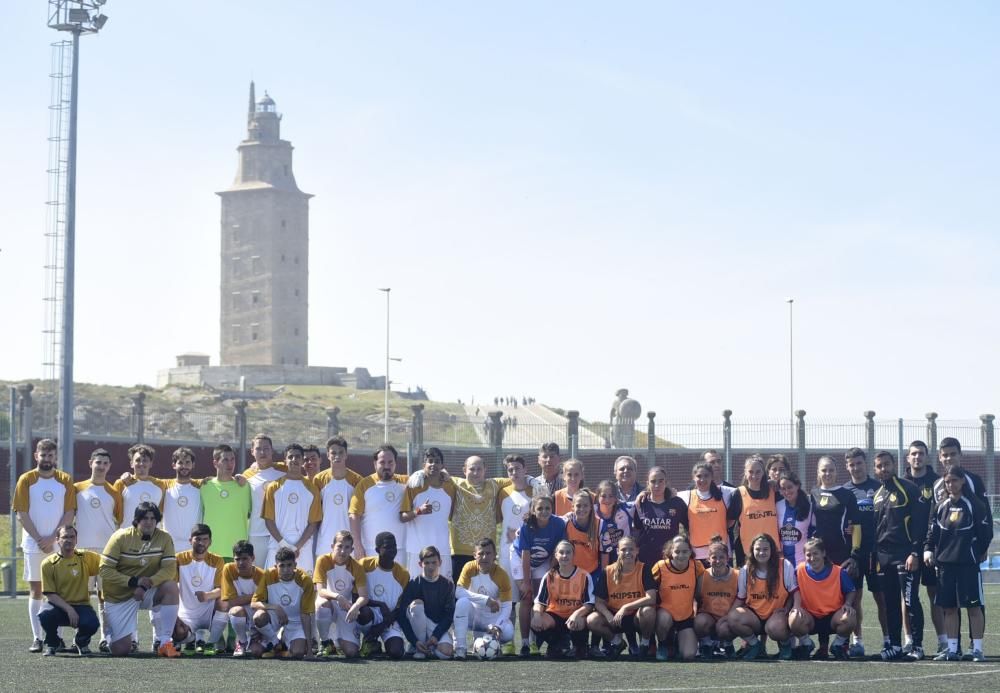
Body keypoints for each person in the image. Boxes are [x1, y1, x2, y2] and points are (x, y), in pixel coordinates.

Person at [13, 438, 76, 653]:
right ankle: (37, 638)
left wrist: (54, 538)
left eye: (50, 455)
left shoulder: (65, 480)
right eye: (43, 455)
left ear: (55, 457)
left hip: (58, 543)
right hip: (33, 543)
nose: (47, 459)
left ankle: (56, 638)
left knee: (59, 591)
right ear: (36, 456)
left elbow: (69, 512)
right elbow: (21, 513)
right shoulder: (26, 479)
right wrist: (40, 538)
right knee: (37, 590)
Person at [924, 465, 992, 662]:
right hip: (945, 565)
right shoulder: (940, 506)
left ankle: (977, 649)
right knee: (949, 608)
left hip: (967, 565)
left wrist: (975, 552)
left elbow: (985, 534)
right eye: (947, 482)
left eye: (954, 480)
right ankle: (952, 650)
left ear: (962, 481)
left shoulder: (974, 505)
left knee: (973, 607)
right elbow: (932, 532)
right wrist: (929, 549)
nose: (951, 485)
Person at [99, 501, 181, 657]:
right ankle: (110, 631)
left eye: (153, 518)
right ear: (136, 519)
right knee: (120, 650)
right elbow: (104, 570)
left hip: (146, 591)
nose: (149, 522)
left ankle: (165, 642)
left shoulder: (164, 537)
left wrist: (145, 585)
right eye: (144, 518)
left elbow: (169, 570)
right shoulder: (120, 537)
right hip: (119, 596)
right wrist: (133, 581)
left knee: (171, 586)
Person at [873, 450, 928, 661]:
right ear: (875, 469)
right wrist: (875, 556)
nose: (883, 469)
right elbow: (875, 529)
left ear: (893, 464)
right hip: (883, 556)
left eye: (886, 464)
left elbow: (920, 524)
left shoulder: (908, 489)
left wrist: (915, 552)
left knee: (910, 600)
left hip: (905, 554)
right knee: (890, 602)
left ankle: (917, 646)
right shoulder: (877, 494)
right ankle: (895, 645)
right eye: (879, 466)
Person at [74, 448, 122, 651]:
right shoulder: (76, 489)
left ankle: (105, 637)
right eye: (98, 462)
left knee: (105, 597)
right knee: (81, 596)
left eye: (105, 463)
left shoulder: (114, 492)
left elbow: (119, 520)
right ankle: (81, 638)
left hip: (105, 552)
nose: (101, 466)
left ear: (109, 466)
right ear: (90, 463)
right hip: (82, 550)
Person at [843, 446, 886, 657]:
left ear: (865, 464)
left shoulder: (878, 487)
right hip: (855, 554)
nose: (856, 468)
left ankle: (888, 640)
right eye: (852, 464)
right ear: (847, 467)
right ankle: (857, 641)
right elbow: (840, 522)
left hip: (877, 552)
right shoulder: (844, 491)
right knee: (855, 598)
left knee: (881, 596)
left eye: (859, 463)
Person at [728, 533, 799, 660]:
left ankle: (785, 645)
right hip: (754, 616)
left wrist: (792, 609)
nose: (762, 553)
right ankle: (755, 644)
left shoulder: (784, 565)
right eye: (758, 549)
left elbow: (794, 592)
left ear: (772, 550)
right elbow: (741, 598)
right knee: (733, 617)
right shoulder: (746, 570)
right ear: (752, 551)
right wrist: (727, 616)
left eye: (765, 549)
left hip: (777, 615)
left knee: (774, 627)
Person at [901, 440, 942, 654]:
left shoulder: (937, 482)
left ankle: (943, 640)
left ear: (927, 456)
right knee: (907, 595)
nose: (917, 457)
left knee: (935, 593)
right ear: (908, 458)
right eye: (913, 454)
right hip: (907, 550)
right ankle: (910, 639)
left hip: (932, 548)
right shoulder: (901, 483)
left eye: (921, 453)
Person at [788, 537, 858, 660]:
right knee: (794, 618)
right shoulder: (799, 570)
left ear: (824, 553)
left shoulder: (838, 571)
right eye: (808, 555)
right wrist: (793, 606)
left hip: (833, 616)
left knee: (850, 617)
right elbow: (791, 590)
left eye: (816, 553)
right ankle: (806, 644)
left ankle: (838, 645)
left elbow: (851, 590)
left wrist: (847, 603)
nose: (812, 558)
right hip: (810, 617)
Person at [514, 495, 567, 656]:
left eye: (547, 508)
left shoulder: (558, 524)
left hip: (544, 559)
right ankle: (524, 643)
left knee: (540, 598)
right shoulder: (527, 526)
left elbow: (556, 552)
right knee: (527, 597)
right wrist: (526, 581)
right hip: (520, 558)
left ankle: (534, 642)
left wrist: (550, 573)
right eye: (540, 508)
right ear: (533, 510)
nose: (544, 512)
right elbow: (525, 555)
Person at [588, 536, 656, 658]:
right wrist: (608, 615)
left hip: (636, 616)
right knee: (592, 620)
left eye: (631, 549)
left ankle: (645, 644)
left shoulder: (644, 569)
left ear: (637, 551)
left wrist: (625, 607)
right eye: (624, 549)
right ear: (617, 551)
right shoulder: (608, 571)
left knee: (649, 611)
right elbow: (598, 602)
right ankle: (618, 643)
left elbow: (651, 598)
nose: (627, 553)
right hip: (615, 617)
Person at [38, 525, 101, 656]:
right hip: (58, 606)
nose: (69, 540)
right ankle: (53, 643)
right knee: (44, 615)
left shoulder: (86, 557)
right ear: (57, 540)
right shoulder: (48, 563)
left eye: (72, 537)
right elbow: (50, 594)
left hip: (81, 606)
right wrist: (69, 609)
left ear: (76, 540)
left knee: (92, 623)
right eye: (65, 537)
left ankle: (81, 641)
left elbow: (108, 563)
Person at [262, 444, 322, 574]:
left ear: (302, 461)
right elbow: (268, 520)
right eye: (290, 457)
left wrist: (297, 547)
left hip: (302, 551)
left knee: (302, 590)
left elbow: (313, 523)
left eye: (298, 457)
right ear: (285, 460)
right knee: (273, 588)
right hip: (277, 548)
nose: (294, 459)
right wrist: (284, 545)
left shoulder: (312, 489)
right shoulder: (273, 487)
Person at [531, 540, 595, 659]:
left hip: (575, 616)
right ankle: (556, 645)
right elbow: (539, 602)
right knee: (536, 622)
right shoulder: (549, 576)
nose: (564, 556)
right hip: (555, 616)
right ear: (556, 555)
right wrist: (537, 614)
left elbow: (589, 604)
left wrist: (576, 614)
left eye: (568, 552)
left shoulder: (584, 575)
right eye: (561, 552)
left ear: (573, 555)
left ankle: (580, 646)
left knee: (579, 621)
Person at [453, 538, 515, 659]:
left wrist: (498, 626)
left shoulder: (502, 574)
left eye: (488, 553)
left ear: (495, 555)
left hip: (491, 619)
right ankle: (460, 648)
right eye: (481, 553)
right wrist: (486, 600)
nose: (485, 557)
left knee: (508, 632)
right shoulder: (469, 567)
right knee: (462, 603)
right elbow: (459, 592)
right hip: (473, 617)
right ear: (475, 555)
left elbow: (507, 605)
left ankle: (492, 641)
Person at [249, 546, 315, 659]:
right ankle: (276, 643)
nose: (286, 570)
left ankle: (281, 647)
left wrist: (309, 650)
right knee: (258, 620)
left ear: (295, 565)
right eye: (282, 566)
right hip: (275, 617)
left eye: (289, 565)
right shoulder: (268, 575)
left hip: (296, 621)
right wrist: (276, 607)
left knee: (298, 653)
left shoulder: (306, 580)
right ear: (276, 566)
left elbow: (305, 615)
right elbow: (254, 603)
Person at [400, 447, 457, 578]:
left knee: (443, 588)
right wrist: (418, 511)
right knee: (415, 590)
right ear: (423, 465)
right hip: (417, 550)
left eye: (437, 461)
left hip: (442, 550)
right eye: (430, 461)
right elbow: (402, 517)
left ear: (442, 465)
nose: (433, 464)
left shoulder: (450, 486)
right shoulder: (415, 485)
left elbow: (451, 516)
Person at [172, 523, 228, 655]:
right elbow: (172, 586)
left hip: (209, 613)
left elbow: (222, 590)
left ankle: (211, 642)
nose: (201, 543)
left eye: (205, 539)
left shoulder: (218, 561)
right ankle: (191, 639)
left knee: (224, 601)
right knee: (177, 633)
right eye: (197, 539)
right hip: (187, 614)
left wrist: (207, 595)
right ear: (190, 540)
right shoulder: (179, 559)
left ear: (210, 542)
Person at [313, 530, 369, 658]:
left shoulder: (357, 566)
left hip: (346, 607)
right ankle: (325, 642)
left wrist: (356, 606)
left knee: (352, 652)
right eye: (339, 546)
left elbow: (364, 596)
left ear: (352, 549)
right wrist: (338, 597)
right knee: (322, 606)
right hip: (329, 602)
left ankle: (337, 641)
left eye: (347, 547)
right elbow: (321, 590)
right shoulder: (322, 560)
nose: (343, 551)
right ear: (332, 547)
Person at [497, 453, 533, 653]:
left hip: (527, 553)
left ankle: (530, 641)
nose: (514, 472)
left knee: (528, 598)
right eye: (510, 469)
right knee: (509, 601)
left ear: (525, 470)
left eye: (518, 468)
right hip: (506, 554)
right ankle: (508, 640)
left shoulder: (534, 490)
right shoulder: (502, 493)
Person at [448, 455, 504, 580]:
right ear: (464, 470)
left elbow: (517, 478)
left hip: (485, 553)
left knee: (484, 592)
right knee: (458, 592)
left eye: (479, 469)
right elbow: (438, 473)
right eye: (472, 469)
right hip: (459, 552)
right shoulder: (456, 484)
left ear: (485, 470)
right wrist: (418, 473)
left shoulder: (494, 485)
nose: (475, 473)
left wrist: (533, 481)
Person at [349, 445, 408, 560]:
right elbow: (354, 515)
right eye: (382, 462)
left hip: (400, 551)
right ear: (375, 464)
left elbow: (427, 477)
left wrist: (444, 474)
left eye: (390, 462)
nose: (386, 466)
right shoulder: (364, 484)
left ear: (396, 463)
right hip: (371, 550)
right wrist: (357, 544)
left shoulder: (406, 482)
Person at [397, 545, 456, 659]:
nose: (431, 566)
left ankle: (429, 647)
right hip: (418, 626)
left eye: (434, 562)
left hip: (435, 626)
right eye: (427, 563)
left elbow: (449, 615)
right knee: (417, 604)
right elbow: (401, 614)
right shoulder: (413, 583)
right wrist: (413, 640)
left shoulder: (448, 585)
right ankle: (418, 646)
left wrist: (436, 636)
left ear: (440, 562)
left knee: (446, 653)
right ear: (420, 564)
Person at [357, 532, 409, 659]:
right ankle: (369, 640)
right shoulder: (363, 565)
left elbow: (401, 606)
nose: (392, 550)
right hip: (368, 614)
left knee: (396, 652)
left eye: (394, 546)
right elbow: (355, 596)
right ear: (377, 549)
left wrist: (383, 625)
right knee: (364, 613)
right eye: (387, 547)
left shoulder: (403, 574)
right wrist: (379, 604)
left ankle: (374, 643)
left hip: (389, 619)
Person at [652, 535, 703, 661]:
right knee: (663, 619)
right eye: (677, 552)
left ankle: (676, 641)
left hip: (685, 617)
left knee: (689, 655)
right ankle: (663, 644)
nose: (681, 555)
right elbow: (651, 592)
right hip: (665, 614)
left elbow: (699, 594)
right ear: (670, 552)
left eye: (685, 552)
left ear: (690, 552)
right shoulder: (660, 567)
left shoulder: (697, 566)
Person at [313, 436, 362, 565]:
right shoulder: (319, 479)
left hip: (349, 542)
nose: (337, 456)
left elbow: (359, 513)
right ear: (328, 455)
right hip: (325, 539)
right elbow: (315, 512)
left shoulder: (357, 480)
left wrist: (357, 542)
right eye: (333, 453)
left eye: (341, 452)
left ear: (346, 454)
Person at [199, 444, 252, 562]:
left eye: (233, 459)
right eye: (225, 460)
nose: (230, 464)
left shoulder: (245, 486)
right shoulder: (204, 486)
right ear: (215, 463)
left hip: (238, 552)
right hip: (210, 551)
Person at [810, 456, 862, 574]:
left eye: (831, 470)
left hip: (841, 551)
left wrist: (854, 554)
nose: (827, 473)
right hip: (819, 552)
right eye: (824, 470)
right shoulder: (813, 494)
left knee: (842, 590)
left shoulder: (847, 494)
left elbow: (856, 526)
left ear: (836, 471)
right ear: (818, 472)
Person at [677, 462, 737, 561]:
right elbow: (665, 492)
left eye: (706, 476)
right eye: (699, 476)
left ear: (712, 477)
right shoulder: (686, 496)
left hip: (721, 553)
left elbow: (745, 491)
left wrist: (771, 483)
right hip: (696, 553)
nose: (702, 479)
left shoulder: (725, 493)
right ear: (693, 477)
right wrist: (644, 493)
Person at [632, 466, 689, 567]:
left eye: (661, 481)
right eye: (653, 481)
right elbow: (636, 529)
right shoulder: (641, 502)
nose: (657, 485)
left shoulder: (677, 503)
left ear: (666, 482)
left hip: (670, 559)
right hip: (646, 559)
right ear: (647, 483)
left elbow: (689, 527)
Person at [244, 434, 286, 566]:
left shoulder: (284, 471)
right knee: (258, 573)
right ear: (252, 451)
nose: (262, 452)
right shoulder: (246, 475)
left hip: (280, 532)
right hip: (257, 533)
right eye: (258, 449)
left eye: (266, 448)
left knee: (277, 573)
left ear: (272, 450)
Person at [694, 536, 738, 659]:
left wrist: (731, 617)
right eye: (714, 557)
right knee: (699, 621)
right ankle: (706, 644)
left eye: (721, 557)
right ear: (708, 559)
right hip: (708, 617)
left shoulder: (737, 576)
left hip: (728, 619)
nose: (718, 561)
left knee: (725, 628)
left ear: (728, 558)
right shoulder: (703, 576)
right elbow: (697, 598)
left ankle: (727, 644)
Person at [220, 539, 265, 657]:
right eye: (237, 559)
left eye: (245, 558)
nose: (241, 563)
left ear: (253, 558)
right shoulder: (228, 569)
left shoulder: (262, 575)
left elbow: (263, 604)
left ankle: (264, 638)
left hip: (257, 619)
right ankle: (242, 642)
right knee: (235, 610)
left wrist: (244, 599)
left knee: (257, 652)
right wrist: (254, 597)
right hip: (240, 617)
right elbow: (230, 603)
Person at [732, 454, 779, 565]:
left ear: (763, 472)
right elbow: (730, 523)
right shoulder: (739, 493)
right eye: (751, 472)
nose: (754, 475)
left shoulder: (773, 491)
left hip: (771, 551)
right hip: (747, 552)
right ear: (745, 472)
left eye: (758, 472)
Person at [114, 444, 167, 532]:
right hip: (127, 537)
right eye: (138, 460)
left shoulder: (160, 485)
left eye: (145, 460)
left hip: (151, 538)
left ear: (151, 463)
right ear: (131, 463)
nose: (141, 463)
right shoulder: (121, 483)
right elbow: (114, 512)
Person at [160, 447, 204, 553]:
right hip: (169, 546)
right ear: (174, 465)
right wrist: (129, 476)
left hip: (193, 547)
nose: (184, 466)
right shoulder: (164, 485)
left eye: (188, 462)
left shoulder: (202, 486)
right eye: (180, 462)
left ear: (193, 465)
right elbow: (145, 479)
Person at [775, 471, 814, 566]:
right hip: (782, 563)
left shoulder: (810, 507)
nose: (787, 491)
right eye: (783, 489)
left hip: (803, 562)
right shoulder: (777, 506)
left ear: (797, 486)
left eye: (790, 487)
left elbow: (815, 532)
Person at [564, 489, 603, 579]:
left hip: (592, 573)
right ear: (572, 506)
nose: (582, 509)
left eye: (585, 505)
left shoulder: (600, 524)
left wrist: (602, 577)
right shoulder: (565, 522)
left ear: (591, 507)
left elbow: (604, 554)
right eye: (578, 505)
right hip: (571, 573)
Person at [594, 480, 633, 564]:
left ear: (616, 498)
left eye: (611, 496)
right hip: (596, 561)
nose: (607, 500)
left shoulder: (626, 510)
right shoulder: (591, 511)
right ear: (597, 497)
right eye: (603, 496)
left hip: (620, 560)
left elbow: (639, 503)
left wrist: (643, 494)